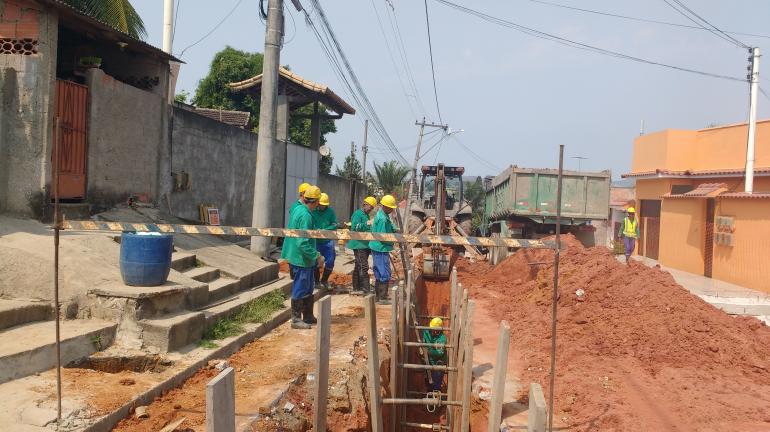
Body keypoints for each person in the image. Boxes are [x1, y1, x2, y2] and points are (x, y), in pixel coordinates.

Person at [283, 185, 324, 329]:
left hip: (299, 256)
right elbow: (302, 242)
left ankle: (307, 316)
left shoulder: (299, 209)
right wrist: (317, 255)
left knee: (308, 286)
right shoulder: (305, 215)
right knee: (301, 287)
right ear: (317, 201)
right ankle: (295, 319)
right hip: (301, 258)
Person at [369, 194, 397, 305]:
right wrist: (392, 243)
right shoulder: (382, 219)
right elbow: (382, 237)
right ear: (386, 207)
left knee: (380, 271)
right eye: (391, 208)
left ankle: (379, 296)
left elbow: (388, 228)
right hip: (380, 248)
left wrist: (394, 229)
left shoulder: (383, 215)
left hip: (379, 247)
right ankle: (382, 297)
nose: (392, 210)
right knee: (384, 272)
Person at [349, 196, 377, 295]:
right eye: (370, 207)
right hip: (358, 244)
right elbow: (355, 227)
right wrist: (368, 223)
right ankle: (366, 290)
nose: (371, 209)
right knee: (364, 267)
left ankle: (356, 288)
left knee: (358, 266)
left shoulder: (366, 215)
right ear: (365, 204)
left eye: (372, 208)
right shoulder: (357, 214)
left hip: (364, 244)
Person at [313, 192, 338, 291]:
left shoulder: (330, 211)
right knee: (315, 261)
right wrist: (316, 230)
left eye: (324, 205)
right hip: (316, 241)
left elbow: (335, 223)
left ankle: (324, 280)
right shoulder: (313, 211)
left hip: (327, 241)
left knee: (330, 261)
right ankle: (316, 282)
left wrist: (326, 230)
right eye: (321, 205)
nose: (322, 207)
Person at [422, 317, 447, 393]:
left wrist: (427, 352)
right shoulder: (426, 332)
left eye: (434, 329)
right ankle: (429, 395)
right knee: (428, 383)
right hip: (428, 361)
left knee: (436, 383)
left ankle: (435, 398)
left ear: (438, 329)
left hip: (438, 363)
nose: (432, 330)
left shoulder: (442, 338)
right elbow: (423, 340)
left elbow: (439, 352)